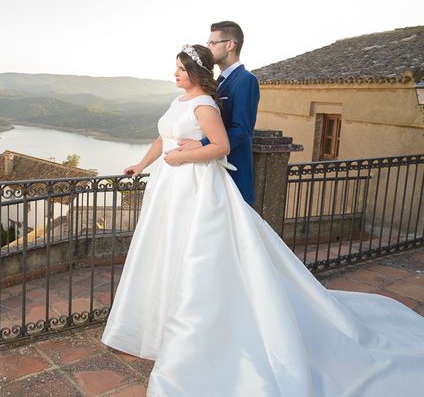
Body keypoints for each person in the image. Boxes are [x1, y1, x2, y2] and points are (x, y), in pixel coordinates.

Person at [101, 44, 424, 396]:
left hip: (193, 186)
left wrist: (185, 159)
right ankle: (156, 326)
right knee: (163, 250)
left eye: (180, 68)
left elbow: (221, 146)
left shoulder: (205, 105)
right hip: (168, 186)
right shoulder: (178, 102)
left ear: (196, 72)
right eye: (175, 67)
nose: (175, 73)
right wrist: (143, 164)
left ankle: (194, 332)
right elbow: (163, 137)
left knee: (194, 254)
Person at [176, 21, 259, 206]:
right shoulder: (216, 81)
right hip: (206, 168)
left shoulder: (246, 80)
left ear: (230, 45)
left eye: (213, 43)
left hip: (233, 168)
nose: (208, 47)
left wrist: (201, 144)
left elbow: (242, 130)